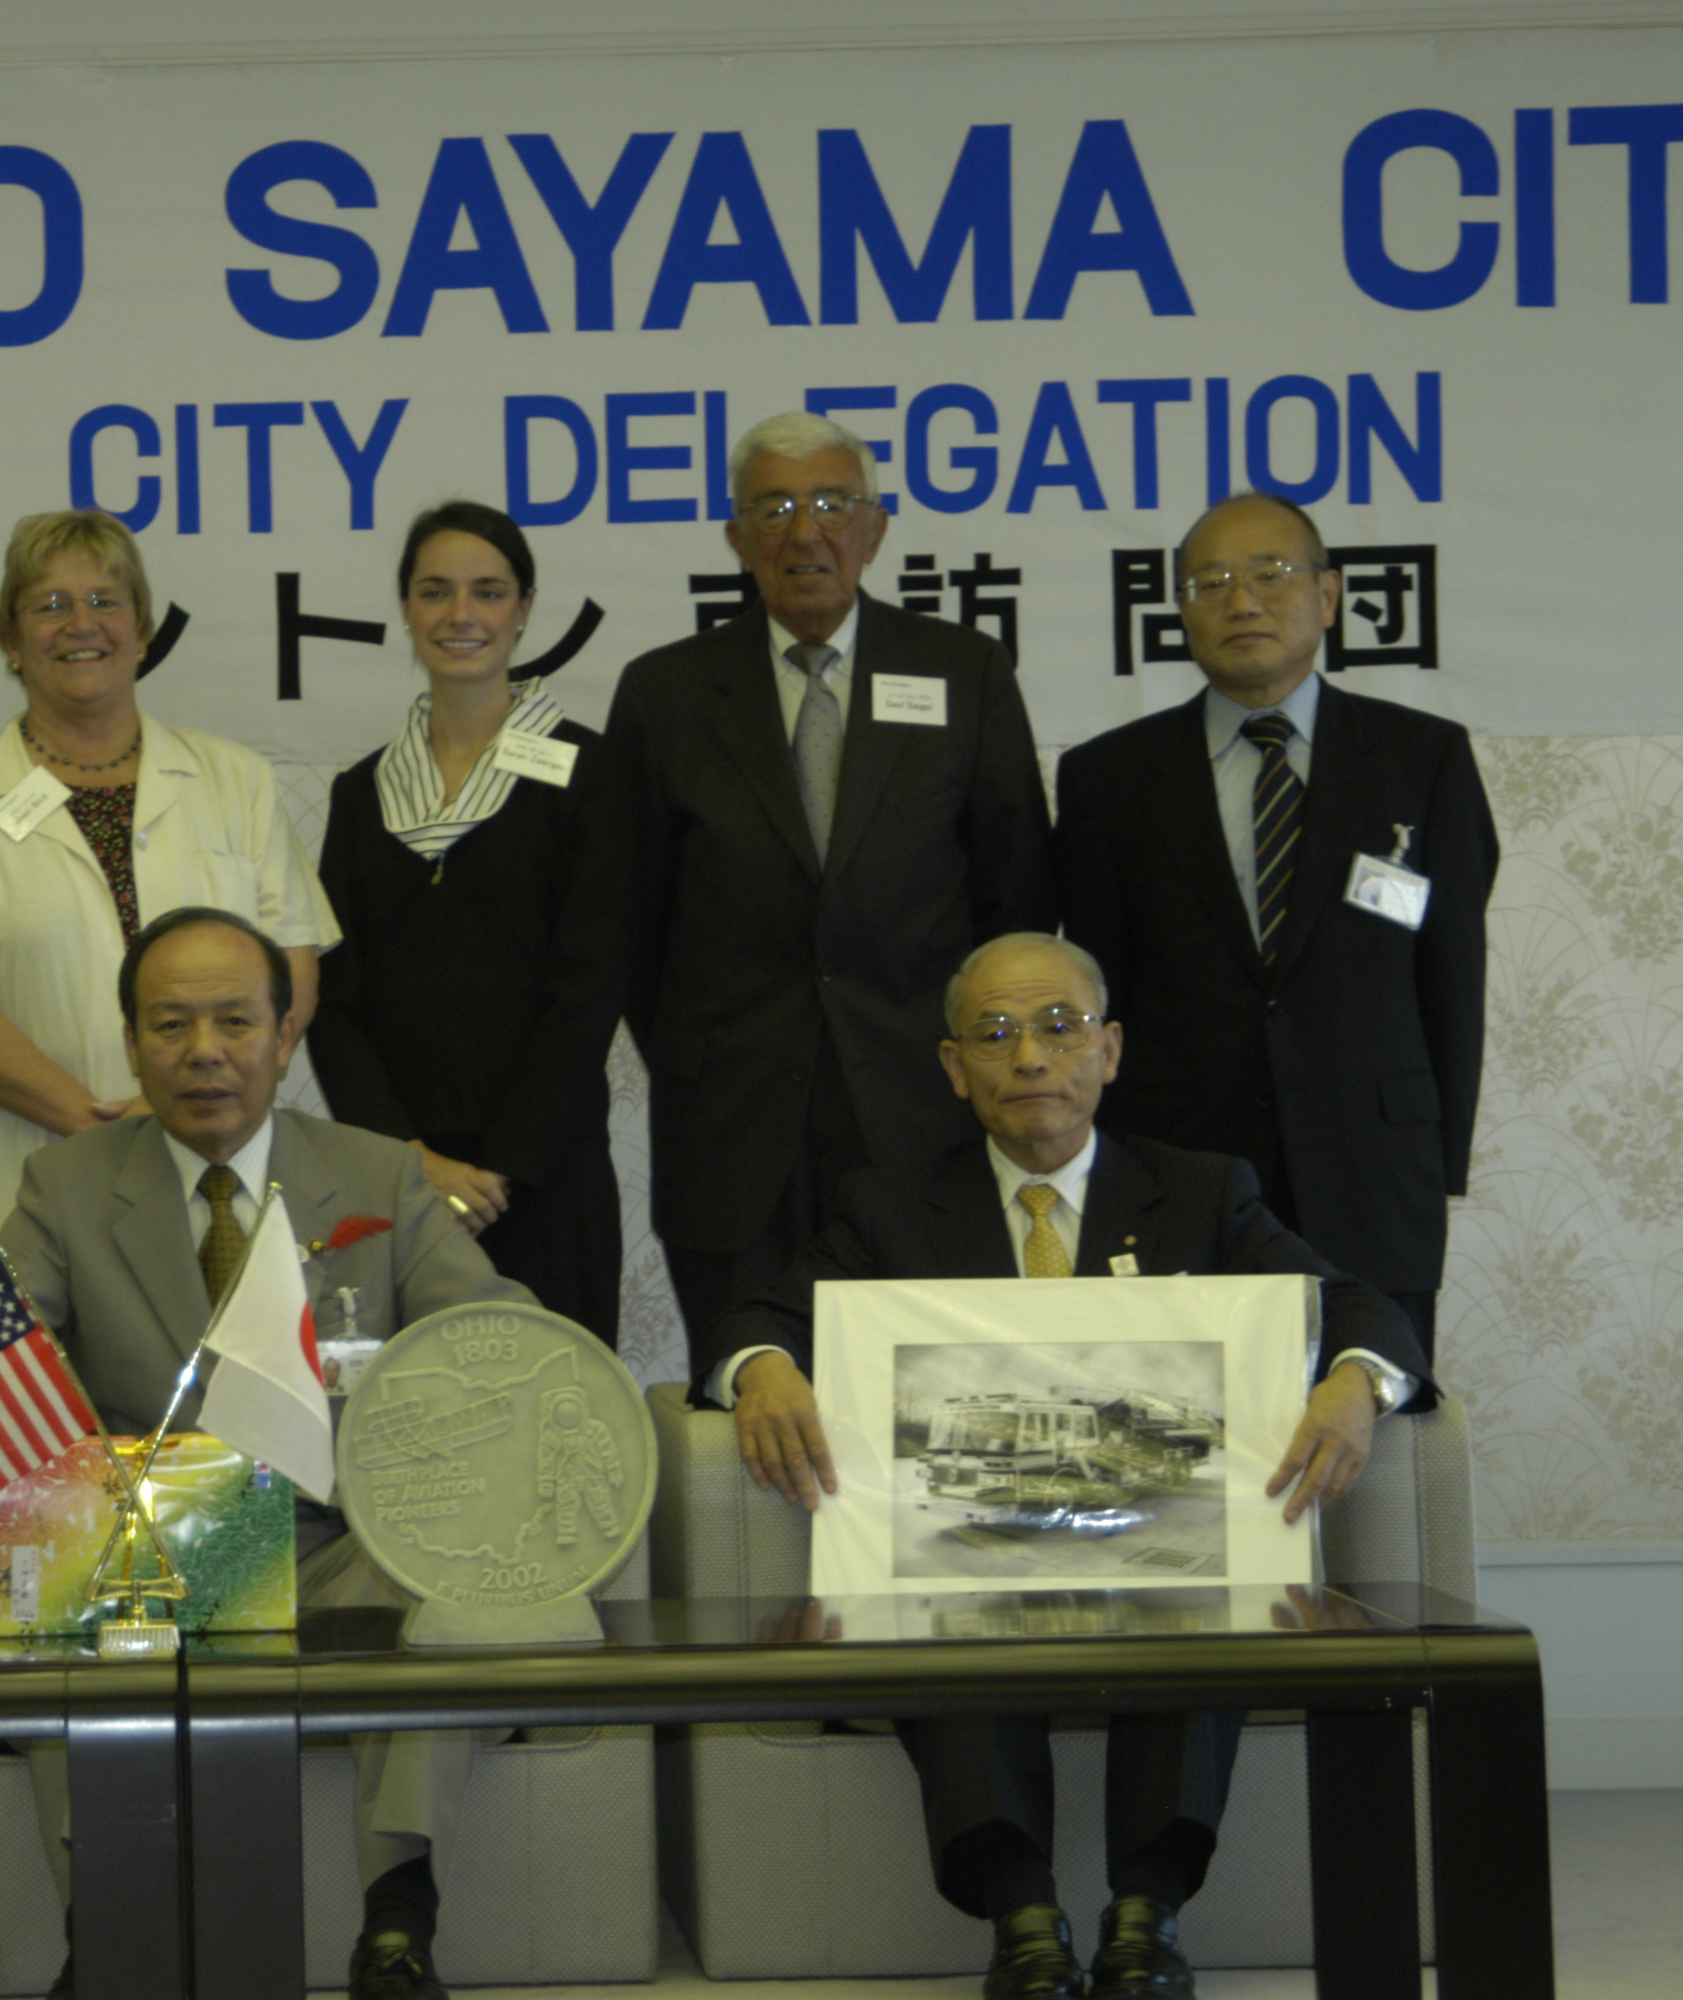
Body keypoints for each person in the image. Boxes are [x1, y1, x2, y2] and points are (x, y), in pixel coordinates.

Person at [710, 930, 1435, 2000]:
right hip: (972, 1549)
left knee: (1207, 1591)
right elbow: (758, 1317)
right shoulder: (887, 1202)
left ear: (1109, 1049)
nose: (1029, 1057)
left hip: (1154, 1547)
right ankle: (1022, 1918)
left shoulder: (1201, 1192)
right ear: (953, 1067)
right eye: (994, 1033)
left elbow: (1361, 1307)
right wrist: (764, 1367)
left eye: (1059, 1027)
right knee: (938, 1601)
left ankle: (1147, 1916)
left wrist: (1355, 1381)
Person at [0, 907, 537, 2000]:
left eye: (236, 1021)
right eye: (171, 1024)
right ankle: (103, 1936)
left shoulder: (379, 1174)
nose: (204, 1051)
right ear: (131, 1043)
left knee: (446, 1566)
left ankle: (396, 1928)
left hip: (337, 1544)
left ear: (285, 1036)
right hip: (154, 1547)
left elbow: (496, 1331)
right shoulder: (67, 1183)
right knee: (58, 1561)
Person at [610, 410, 1054, 1378]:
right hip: (729, 1135)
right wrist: (703, 1053)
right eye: (772, 508)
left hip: (923, 1116)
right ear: (736, 537)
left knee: (932, 1407)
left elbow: (1014, 902)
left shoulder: (962, 670)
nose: (804, 532)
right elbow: (633, 926)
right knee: (750, 1400)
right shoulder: (663, 693)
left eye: (831, 504)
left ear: (876, 528)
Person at [1055, 492, 1497, 1362]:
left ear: (1327, 596)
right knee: (1188, 1424)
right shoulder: (1108, 778)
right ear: (1180, 610)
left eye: (1270, 575)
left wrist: (1436, 1156)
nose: (1242, 602)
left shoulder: (1423, 759)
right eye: (1210, 582)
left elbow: (1453, 975)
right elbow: (1103, 991)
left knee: (1370, 1414)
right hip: (1180, 1170)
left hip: (1373, 1170)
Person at [0, 509, 336, 1277]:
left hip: (223, 1171)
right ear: (10, 640)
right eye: (49, 605)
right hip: (33, 1180)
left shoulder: (237, 780)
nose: (80, 624)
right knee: (44, 1355)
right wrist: (102, 1125)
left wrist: (189, 1104)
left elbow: (292, 962)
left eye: (104, 601)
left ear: (143, 631)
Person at [307, 501, 634, 1342]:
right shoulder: (362, 792)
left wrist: (498, 1169)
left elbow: (590, 991)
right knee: (404, 1411)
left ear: (525, 609)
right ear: (406, 608)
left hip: (545, 1176)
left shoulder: (592, 774)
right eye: (435, 591)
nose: (461, 615)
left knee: (556, 1403)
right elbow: (332, 999)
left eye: (488, 592)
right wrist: (407, 1159)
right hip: (394, 1180)